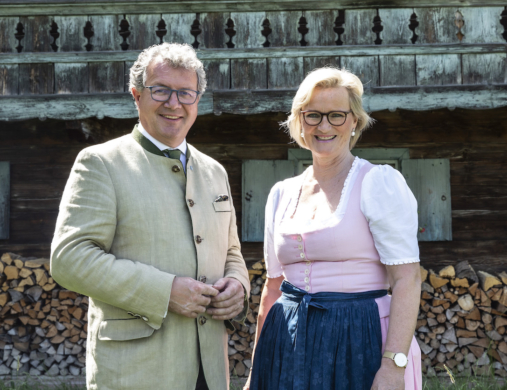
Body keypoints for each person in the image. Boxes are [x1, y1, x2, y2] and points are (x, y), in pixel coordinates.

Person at [50, 43, 250, 390]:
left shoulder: (215, 171)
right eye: (161, 90)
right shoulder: (101, 163)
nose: (174, 103)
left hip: (211, 371)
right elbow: (69, 258)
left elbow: (231, 252)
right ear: (136, 95)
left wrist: (239, 286)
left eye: (185, 93)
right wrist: (165, 290)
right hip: (135, 372)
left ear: (197, 100)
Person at [246, 68, 422, 390]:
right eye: (313, 115)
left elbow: (406, 278)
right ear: (300, 120)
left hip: (359, 337)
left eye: (337, 115)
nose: (324, 126)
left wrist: (394, 365)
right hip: (287, 341)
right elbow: (272, 289)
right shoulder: (282, 193)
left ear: (354, 121)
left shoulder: (377, 183)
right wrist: (256, 372)